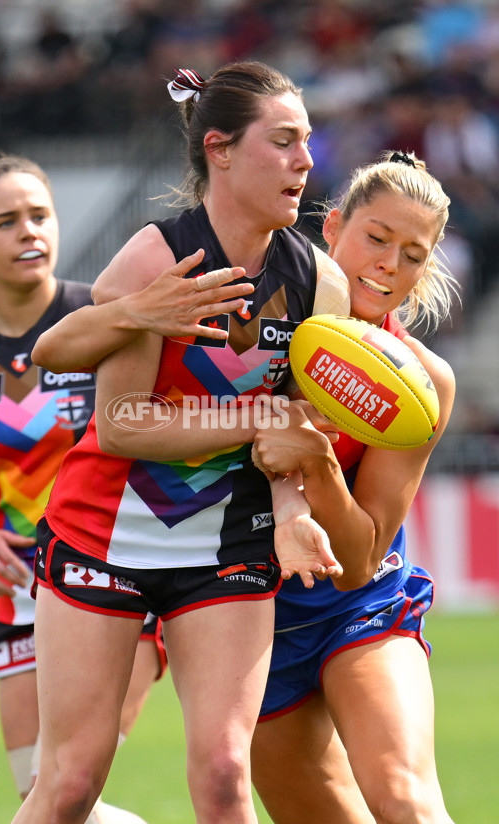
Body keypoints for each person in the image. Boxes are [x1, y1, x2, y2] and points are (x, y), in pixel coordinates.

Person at [13, 61, 347, 824]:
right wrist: (259, 421)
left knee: (228, 774)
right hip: (103, 539)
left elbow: (290, 437)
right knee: (68, 786)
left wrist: (294, 507)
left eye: (308, 143)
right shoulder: (156, 259)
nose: (306, 162)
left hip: (228, 546)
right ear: (221, 150)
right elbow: (126, 424)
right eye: (286, 141)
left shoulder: (318, 284)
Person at [0, 153, 254, 824]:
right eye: (7, 222)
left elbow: (154, 424)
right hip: (23, 589)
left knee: (58, 787)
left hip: (118, 564)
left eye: (41, 216)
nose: (31, 232)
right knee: (51, 799)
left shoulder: (106, 312)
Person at [250, 151, 458, 824]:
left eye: (413, 253)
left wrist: (317, 463)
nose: (390, 263)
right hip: (240, 616)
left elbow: (361, 559)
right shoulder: (259, 329)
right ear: (333, 228)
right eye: (376, 237)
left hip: (358, 604)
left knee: (405, 802)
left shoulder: (425, 386)